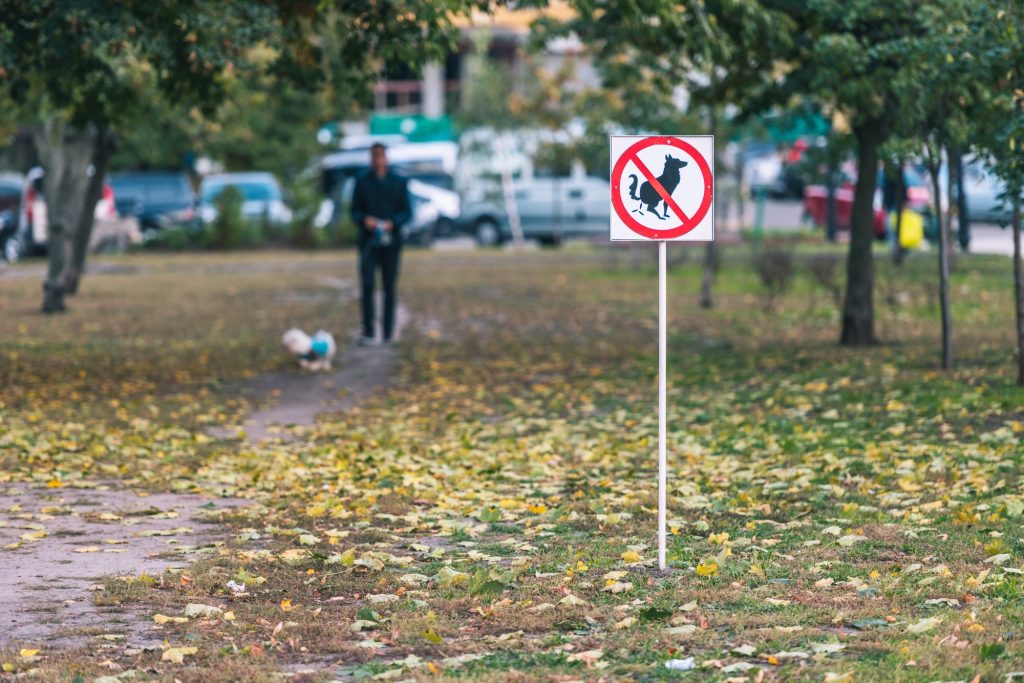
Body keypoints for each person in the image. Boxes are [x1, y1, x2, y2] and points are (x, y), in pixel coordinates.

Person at [351, 143, 410, 345]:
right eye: (374, 156)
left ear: (386, 157)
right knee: (367, 285)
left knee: (389, 287)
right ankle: (368, 331)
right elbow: (354, 211)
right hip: (368, 243)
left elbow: (407, 212)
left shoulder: (399, 181)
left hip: (391, 243)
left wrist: (392, 224)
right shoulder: (361, 181)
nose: (378, 160)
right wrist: (365, 220)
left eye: (381, 156)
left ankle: (388, 332)